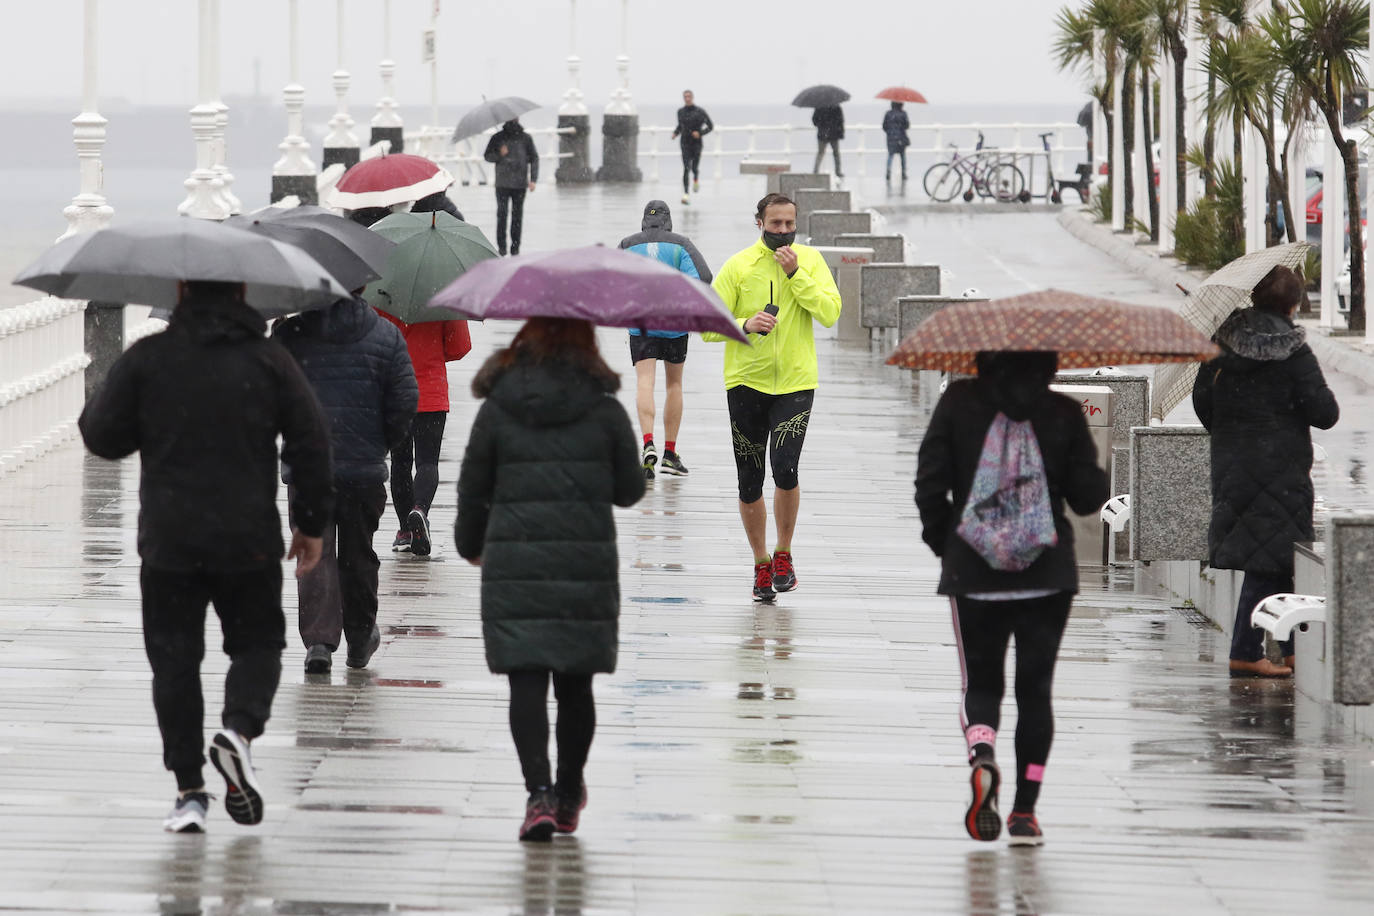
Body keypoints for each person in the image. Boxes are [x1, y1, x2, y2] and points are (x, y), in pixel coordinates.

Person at [78, 280, 332, 833]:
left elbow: (101, 437)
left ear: (181, 290)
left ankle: (190, 791)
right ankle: (238, 732)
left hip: (170, 539)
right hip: (248, 538)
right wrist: (311, 524)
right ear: (243, 291)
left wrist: (115, 396)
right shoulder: (269, 359)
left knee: (174, 662)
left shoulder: (149, 357)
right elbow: (312, 440)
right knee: (259, 643)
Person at [456, 317, 645, 841]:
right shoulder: (604, 410)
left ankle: (537, 793)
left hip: (515, 560)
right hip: (583, 563)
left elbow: (473, 486)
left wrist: (471, 545)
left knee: (526, 677)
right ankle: (568, 791)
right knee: (575, 683)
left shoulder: (499, 406)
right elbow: (630, 490)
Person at [915, 351, 1109, 847]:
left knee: (981, 683)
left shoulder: (958, 401)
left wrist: (950, 545)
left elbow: (929, 483)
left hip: (974, 573)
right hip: (1048, 575)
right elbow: (1089, 499)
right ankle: (1025, 811)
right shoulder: (1062, 411)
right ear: (1047, 365)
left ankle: (982, 756)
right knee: (1035, 691)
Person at [1192, 265, 1339, 679]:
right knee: (1269, 560)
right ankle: (1245, 650)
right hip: (1282, 468)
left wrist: (1231, 433)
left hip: (1234, 463)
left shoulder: (1222, 343)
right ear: (1293, 305)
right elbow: (1325, 414)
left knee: (1275, 557)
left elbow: (1202, 399)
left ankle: (1289, 650)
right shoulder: (1294, 351)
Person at [705, 192, 842, 601]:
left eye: (789, 224)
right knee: (750, 480)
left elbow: (831, 313)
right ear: (760, 223)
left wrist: (798, 274)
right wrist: (745, 323)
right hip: (746, 382)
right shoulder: (738, 266)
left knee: (785, 469)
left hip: (796, 383)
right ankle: (760, 563)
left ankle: (784, 553)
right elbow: (709, 325)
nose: (783, 232)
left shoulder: (811, 261)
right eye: (775, 224)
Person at [273, 293, 418, 674]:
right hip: (363, 469)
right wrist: (380, 442)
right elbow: (404, 401)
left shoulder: (292, 333)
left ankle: (320, 641)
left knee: (315, 550)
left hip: (308, 468)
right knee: (359, 555)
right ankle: (359, 636)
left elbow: (269, 393)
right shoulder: (386, 336)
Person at [617, 199, 713, 479]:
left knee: (645, 382)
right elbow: (704, 277)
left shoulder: (627, 244)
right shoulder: (682, 244)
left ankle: (647, 444)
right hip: (675, 324)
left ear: (644, 220)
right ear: (668, 220)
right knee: (674, 385)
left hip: (641, 324)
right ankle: (670, 453)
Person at [379, 312, 473, 554]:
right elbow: (460, 347)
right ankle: (419, 510)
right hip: (430, 393)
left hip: (395, 392)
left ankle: (405, 532)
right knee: (427, 462)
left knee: (400, 462)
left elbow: (374, 341)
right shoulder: (443, 295)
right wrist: (433, 351)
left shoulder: (385, 294)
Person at [483, 118, 539, 256]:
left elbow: (534, 158)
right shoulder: (497, 138)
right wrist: (499, 154)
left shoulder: (525, 138)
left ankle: (515, 249)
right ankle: (502, 248)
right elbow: (487, 156)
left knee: (517, 217)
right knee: (502, 215)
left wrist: (533, 179)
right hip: (502, 183)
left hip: (520, 184)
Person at [672, 89, 714, 205]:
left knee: (694, 168)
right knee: (686, 168)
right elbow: (681, 125)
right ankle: (685, 194)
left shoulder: (700, 112)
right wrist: (675, 133)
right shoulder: (680, 112)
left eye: (689, 96)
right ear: (683, 98)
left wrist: (700, 133)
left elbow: (710, 126)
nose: (687, 98)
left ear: (692, 97)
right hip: (685, 143)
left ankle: (695, 179)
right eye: (685, 97)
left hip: (696, 144)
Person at [812, 104, 844, 177]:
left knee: (820, 153)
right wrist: (840, 133)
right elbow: (840, 121)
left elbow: (814, 120)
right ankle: (838, 171)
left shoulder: (819, 107)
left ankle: (815, 171)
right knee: (836, 154)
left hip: (822, 134)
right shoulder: (836, 107)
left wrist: (821, 124)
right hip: (834, 134)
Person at [882, 101, 911, 182]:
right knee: (902, 156)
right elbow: (907, 125)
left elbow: (884, 126)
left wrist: (890, 131)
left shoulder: (888, 114)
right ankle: (903, 173)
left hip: (891, 138)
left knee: (890, 155)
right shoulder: (903, 114)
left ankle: (888, 172)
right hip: (901, 138)